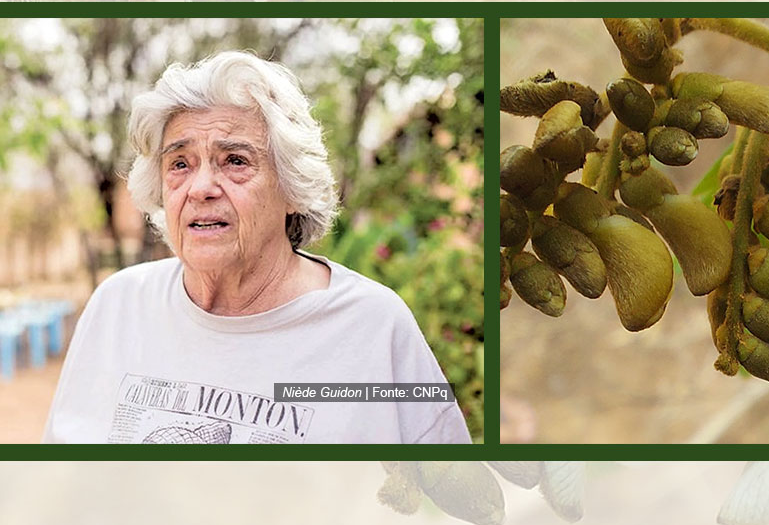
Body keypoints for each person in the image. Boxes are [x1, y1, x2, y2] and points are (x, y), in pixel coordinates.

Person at [42, 51, 471, 444]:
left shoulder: (375, 325)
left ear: (292, 189)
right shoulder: (118, 305)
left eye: (235, 160)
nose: (201, 188)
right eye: (180, 164)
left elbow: (445, 497)